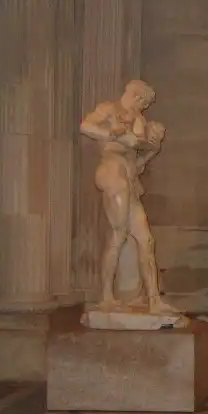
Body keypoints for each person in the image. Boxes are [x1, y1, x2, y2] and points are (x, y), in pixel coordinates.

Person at [79, 80, 177, 315]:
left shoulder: (139, 119)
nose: (144, 107)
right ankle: (106, 297)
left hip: (130, 176)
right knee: (118, 234)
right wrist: (114, 135)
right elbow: (85, 126)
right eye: (144, 102)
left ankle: (154, 300)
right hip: (113, 172)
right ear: (135, 95)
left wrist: (153, 147)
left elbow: (139, 160)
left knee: (146, 240)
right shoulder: (109, 109)